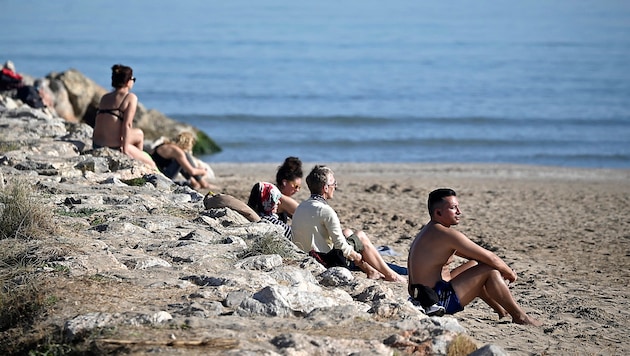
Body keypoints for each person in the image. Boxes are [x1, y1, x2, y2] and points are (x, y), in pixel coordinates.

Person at [407, 188, 542, 326]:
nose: (459, 212)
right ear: (438, 212)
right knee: (489, 270)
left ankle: (502, 310)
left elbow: (478, 257)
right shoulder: (446, 235)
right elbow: (491, 258)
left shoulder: (430, 230)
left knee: (474, 265)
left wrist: (496, 267)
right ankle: (520, 316)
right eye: (453, 208)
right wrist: (510, 274)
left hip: (421, 296)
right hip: (435, 302)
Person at [292, 165, 405, 283]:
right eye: (333, 184)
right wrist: (358, 257)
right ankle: (391, 275)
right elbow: (341, 246)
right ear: (325, 188)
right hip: (325, 261)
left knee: (347, 232)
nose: (335, 187)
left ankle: (371, 271)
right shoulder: (325, 211)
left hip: (306, 257)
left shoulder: (301, 206)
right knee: (360, 236)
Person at [92, 64, 156, 169]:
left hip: (97, 144)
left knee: (139, 134)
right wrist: (125, 149)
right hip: (113, 146)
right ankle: (139, 165)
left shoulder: (105, 97)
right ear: (128, 81)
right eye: (133, 79)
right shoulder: (130, 98)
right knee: (151, 164)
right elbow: (127, 125)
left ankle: (137, 157)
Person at [275, 156, 303, 223]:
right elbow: (304, 214)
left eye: (299, 187)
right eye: (296, 186)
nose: (297, 190)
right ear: (284, 183)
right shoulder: (278, 197)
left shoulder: (273, 192)